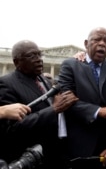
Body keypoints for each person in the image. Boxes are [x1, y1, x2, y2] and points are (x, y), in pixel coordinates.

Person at [0, 40, 78, 169]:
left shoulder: (43, 80)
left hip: (52, 156)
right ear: (16, 62)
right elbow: (11, 130)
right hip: (27, 159)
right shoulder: (6, 84)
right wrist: (54, 109)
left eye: (39, 54)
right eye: (32, 56)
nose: (39, 59)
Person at [58, 27, 106, 169]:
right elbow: (67, 103)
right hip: (76, 146)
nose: (102, 44)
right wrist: (99, 111)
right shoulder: (70, 65)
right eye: (97, 40)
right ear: (86, 43)